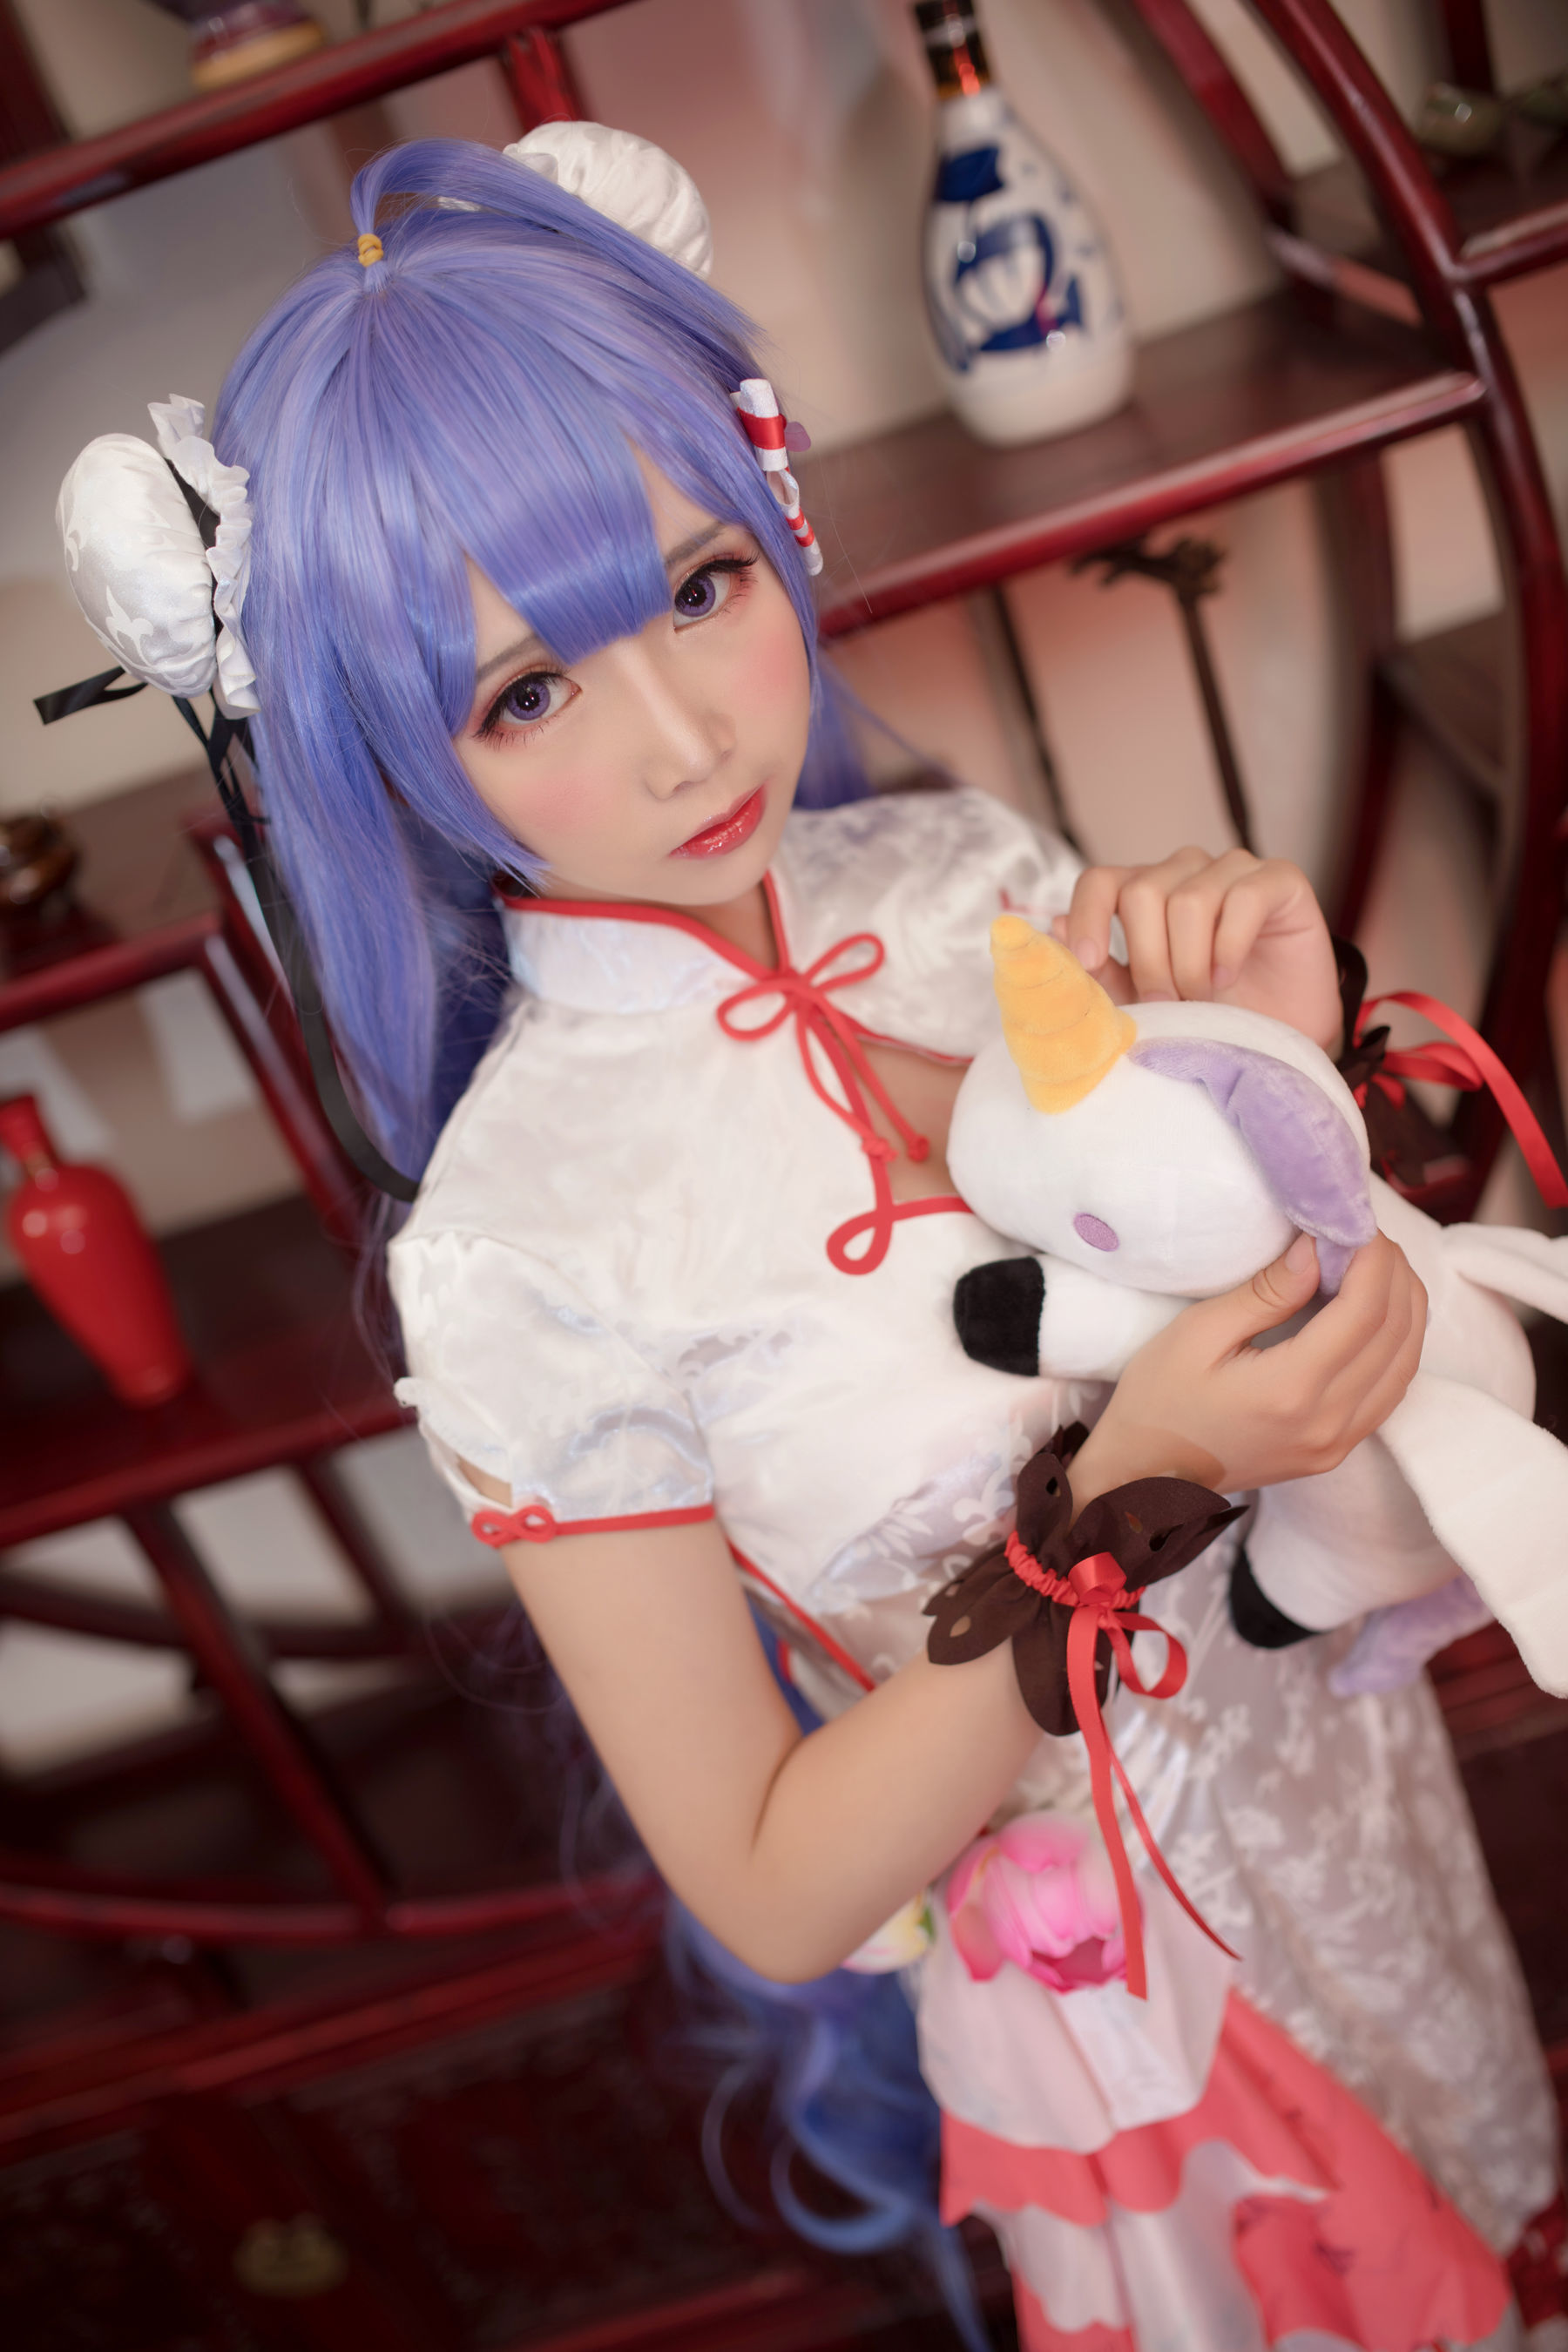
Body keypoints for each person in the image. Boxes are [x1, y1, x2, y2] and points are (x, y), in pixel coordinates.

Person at [54, 125, 1562, 2352]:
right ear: (390, 759)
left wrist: (1276, 1043)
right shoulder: (517, 1243)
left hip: (1372, 1813)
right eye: (527, 695)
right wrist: (1133, 1478)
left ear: (777, 511)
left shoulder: (964, 879)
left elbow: (1301, 1323)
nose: (684, 742)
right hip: (1141, 2014)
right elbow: (767, 1887)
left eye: (699, 588)